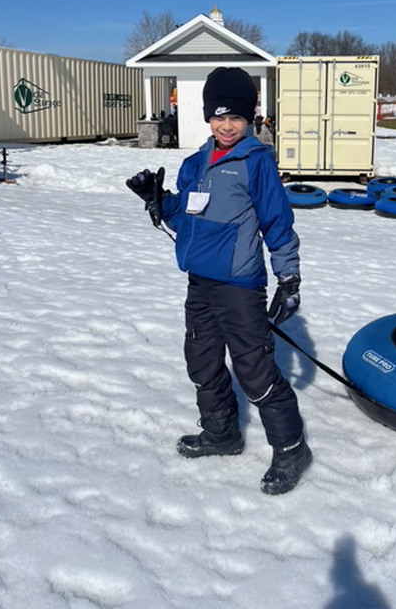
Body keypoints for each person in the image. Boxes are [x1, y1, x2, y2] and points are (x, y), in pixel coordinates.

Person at [126, 67, 312, 495]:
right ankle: (221, 433)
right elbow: (187, 217)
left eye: (236, 118)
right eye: (219, 116)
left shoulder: (256, 162)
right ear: (208, 116)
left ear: (250, 118)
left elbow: (277, 223)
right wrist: (159, 200)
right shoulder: (194, 163)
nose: (227, 126)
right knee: (202, 362)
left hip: (240, 287)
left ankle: (291, 448)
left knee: (255, 370)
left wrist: (288, 278)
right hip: (200, 284)